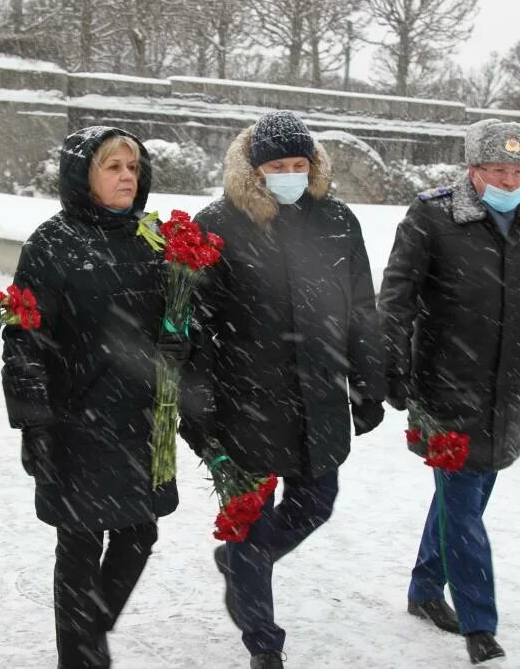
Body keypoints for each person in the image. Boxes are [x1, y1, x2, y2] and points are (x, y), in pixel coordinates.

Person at [179, 111, 385, 669]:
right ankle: (263, 642)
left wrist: (369, 384)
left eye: (300, 165)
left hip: (318, 394)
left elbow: (361, 309)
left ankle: (245, 560)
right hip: (243, 398)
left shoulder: (339, 220)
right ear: (255, 168)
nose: (290, 174)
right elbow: (192, 323)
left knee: (315, 504)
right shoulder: (218, 222)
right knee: (247, 517)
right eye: (278, 166)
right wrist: (196, 405)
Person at [378, 119, 520, 664]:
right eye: (497, 169)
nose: (509, 179)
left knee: (466, 496)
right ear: (472, 170)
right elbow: (397, 297)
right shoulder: (432, 217)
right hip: (442, 387)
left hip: (506, 389)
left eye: (517, 169)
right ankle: (480, 623)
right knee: (463, 506)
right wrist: (391, 366)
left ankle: (424, 588)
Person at [2, 126, 180, 669]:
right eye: (113, 167)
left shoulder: (155, 238)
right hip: (75, 421)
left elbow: (180, 319)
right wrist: (34, 422)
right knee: (79, 546)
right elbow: (24, 339)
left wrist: (181, 337)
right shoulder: (52, 243)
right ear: (84, 176)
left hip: (142, 421)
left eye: (133, 167)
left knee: (139, 534)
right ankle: (77, 658)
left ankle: (87, 640)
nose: (127, 176)